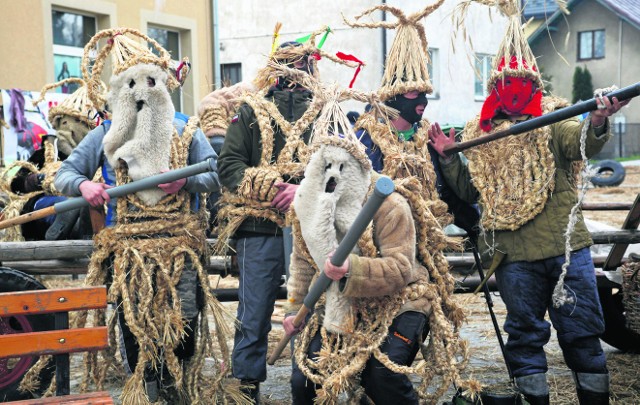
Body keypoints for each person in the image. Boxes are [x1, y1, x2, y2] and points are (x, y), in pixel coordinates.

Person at [428, 3, 630, 404]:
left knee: (583, 333)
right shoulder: (480, 134)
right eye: (507, 83)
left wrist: (599, 120)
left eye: (522, 82)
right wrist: (449, 157)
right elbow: (471, 190)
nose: (515, 91)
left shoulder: (556, 120)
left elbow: (582, 143)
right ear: (495, 88)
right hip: (513, 255)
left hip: (565, 251)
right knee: (524, 336)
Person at [54, 28, 232, 404]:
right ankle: (146, 389)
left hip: (179, 250)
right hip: (128, 251)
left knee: (182, 323)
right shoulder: (104, 135)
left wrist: (184, 181)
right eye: (131, 84)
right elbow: (64, 175)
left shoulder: (186, 129)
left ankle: (177, 389)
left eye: (150, 82)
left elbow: (218, 174)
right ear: (118, 92)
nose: (140, 92)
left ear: (163, 86)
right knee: (134, 326)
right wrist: (84, 187)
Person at [282, 93, 466, 404]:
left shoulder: (389, 203)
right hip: (342, 304)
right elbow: (301, 266)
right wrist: (294, 311)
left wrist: (352, 270)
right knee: (304, 380)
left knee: (383, 376)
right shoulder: (309, 207)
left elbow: (399, 268)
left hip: (401, 299)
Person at [215, 26, 358, 403]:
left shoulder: (329, 112)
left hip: (314, 229)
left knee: (309, 306)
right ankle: (246, 386)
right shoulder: (250, 111)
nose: (299, 71)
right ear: (277, 67)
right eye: (292, 64)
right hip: (258, 228)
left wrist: (302, 194)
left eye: (306, 63)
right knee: (254, 311)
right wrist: (270, 187)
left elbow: (345, 168)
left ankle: (306, 384)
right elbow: (229, 166)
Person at [3, 78, 103, 242]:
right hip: (41, 207)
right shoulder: (46, 153)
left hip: (85, 205)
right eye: (76, 122)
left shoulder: (95, 157)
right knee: (68, 205)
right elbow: (15, 185)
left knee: (85, 208)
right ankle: (59, 231)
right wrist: (40, 180)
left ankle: (81, 233)